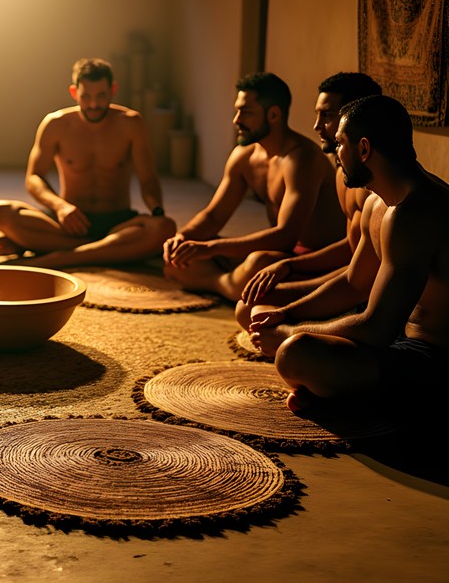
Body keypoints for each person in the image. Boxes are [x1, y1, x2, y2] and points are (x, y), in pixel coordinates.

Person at [248, 95, 449, 412]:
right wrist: (288, 313)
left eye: (341, 143)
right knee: (263, 314)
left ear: (364, 149)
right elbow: (353, 284)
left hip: (431, 361)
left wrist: (289, 331)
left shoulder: (414, 213)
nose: (337, 154)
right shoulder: (377, 201)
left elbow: (376, 329)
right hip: (394, 341)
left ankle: (362, 402)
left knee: (293, 352)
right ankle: (340, 394)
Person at [162, 72, 344, 301]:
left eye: (246, 112)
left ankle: (219, 283)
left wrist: (211, 248)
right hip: (280, 253)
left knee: (257, 262)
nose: (236, 120)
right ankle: (230, 285)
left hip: (312, 259)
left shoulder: (301, 159)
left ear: (274, 114)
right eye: (238, 110)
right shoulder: (244, 156)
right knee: (177, 258)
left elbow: (285, 236)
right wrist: (182, 237)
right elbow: (214, 216)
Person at [0, 57, 175, 267]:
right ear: (73, 92)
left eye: (101, 95)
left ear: (113, 90)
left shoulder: (131, 124)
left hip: (117, 222)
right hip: (69, 222)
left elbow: (148, 179)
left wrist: (157, 211)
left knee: (164, 228)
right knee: (2, 212)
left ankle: (56, 256)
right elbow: (34, 178)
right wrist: (60, 207)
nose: (93, 104)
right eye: (86, 96)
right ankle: (104, 249)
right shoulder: (55, 124)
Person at [235, 72, 382, 327]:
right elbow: (351, 246)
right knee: (249, 305)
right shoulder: (342, 174)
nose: (316, 126)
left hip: (366, 299)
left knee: (257, 314)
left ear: (353, 119)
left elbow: (359, 281)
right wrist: (289, 266)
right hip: (346, 281)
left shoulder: (377, 189)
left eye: (326, 115)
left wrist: (291, 304)